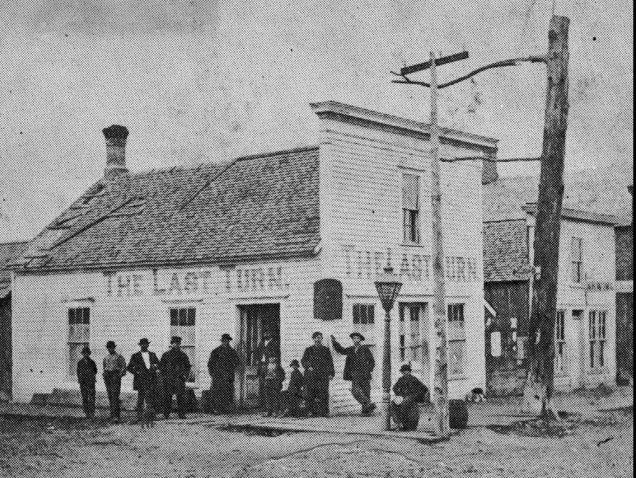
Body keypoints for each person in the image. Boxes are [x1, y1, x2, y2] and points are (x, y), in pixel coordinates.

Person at [331, 332, 376, 415]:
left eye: (357, 338)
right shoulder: (350, 349)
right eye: (354, 338)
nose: (356, 340)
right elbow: (342, 350)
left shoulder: (365, 349)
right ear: (352, 340)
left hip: (365, 374)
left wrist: (368, 370)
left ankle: (366, 411)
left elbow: (372, 361)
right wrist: (334, 342)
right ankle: (369, 404)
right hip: (355, 374)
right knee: (355, 391)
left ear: (360, 340)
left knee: (366, 392)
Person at [301, 331, 334, 417]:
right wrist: (308, 366)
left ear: (321, 339)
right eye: (316, 338)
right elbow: (303, 360)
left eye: (319, 338)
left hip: (323, 374)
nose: (317, 340)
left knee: (323, 392)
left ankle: (324, 412)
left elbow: (330, 362)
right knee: (311, 392)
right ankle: (311, 411)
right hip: (311, 375)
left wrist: (331, 373)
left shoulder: (326, 350)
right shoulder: (308, 350)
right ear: (313, 339)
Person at [127, 338, 160, 423]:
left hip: (151, 378)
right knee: (140, 398)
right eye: (142, 344)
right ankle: (139, 416)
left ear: (148, 345)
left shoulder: (152, 355)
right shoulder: (135, 356)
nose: (144, 346)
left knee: (151, 398)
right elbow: (129, 367)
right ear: (140, 345)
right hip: (141, 379)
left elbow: (158, 364)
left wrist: (155, 366)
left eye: (146, 344)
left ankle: (152, 416)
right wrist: (136, 372)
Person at [159, 336, 191, 419]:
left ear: (179, 344)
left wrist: (185, 375)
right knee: (167, 396)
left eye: (177, 343)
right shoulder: (166, 355)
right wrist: (164, 376)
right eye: (174, 343)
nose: (176, 345)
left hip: (179, 379)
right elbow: (161, 366)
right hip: (168, 379)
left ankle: (181, 414)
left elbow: (188, 366)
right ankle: (166, 414)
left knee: (180, 396)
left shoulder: (183, 355)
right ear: (171, 344)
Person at [207, 333, 240, 414]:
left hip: (228, 376)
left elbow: (237, 362)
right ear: (222, 341)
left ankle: (226, 409)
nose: (226, 342)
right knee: (217, 392)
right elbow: (210, 364)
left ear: (229, 341)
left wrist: (231, 368)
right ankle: (217, 409)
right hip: (218, 376)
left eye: (227, 341)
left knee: (227, 392)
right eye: (224, 341)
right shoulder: (216, 351)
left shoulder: (232, 352)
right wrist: (213, 373)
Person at [390, 364, 428, 431]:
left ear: (409, 371)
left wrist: (417, 395)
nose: (405, 373)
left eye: (406, 371)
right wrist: (399, 394)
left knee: (404, 403)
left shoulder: (414, 379)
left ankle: (403, 423)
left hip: (412, 397)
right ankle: (397, 423)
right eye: (403, 371)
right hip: (403, 397)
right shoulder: (401, 379)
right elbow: (394, 388)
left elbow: (424, 388)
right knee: (393, 403)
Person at [102, 341, 127, 423]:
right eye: (108, 348)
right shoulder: (106, 358)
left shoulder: (119, 357)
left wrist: (119, 375)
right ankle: (112, 415)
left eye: (112, 347)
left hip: (115, 376)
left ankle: (116, 416)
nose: (110, 349)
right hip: (107, 377)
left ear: (114, 348)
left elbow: (124, 367)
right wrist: (104, 374)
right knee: (110, 396)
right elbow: (104, 367)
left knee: (115, 396)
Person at [255, 331, 278, 409]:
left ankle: (269, 406)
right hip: (261, 365)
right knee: (261, 385)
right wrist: (257, 359)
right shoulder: (261, 343)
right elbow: (257, 352)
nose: (266, 335)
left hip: (270, 366)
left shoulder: (274, 343)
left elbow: (275, 355)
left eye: (267, 333)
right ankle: (262, 404)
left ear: (270, 334)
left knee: (269, 386)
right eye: (265, 333)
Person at [76, 346, 97, 418]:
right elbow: (78, 372)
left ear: (89, 354)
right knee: (84, 397)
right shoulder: (80, 363)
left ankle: (92, 413)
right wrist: (80, 379)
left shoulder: (92, 362)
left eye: (87, 353)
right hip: (83, 382)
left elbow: (95, 371)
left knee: (91, 397)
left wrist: (91, 377)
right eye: (84, 353)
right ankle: (86, 413)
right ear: (82, 354)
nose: (86, 354)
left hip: (91, 382)